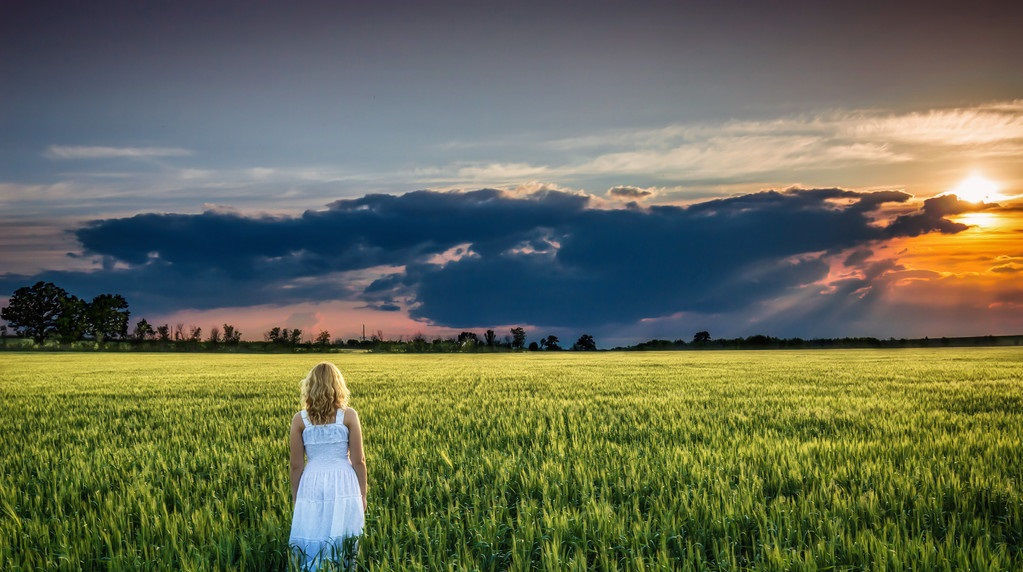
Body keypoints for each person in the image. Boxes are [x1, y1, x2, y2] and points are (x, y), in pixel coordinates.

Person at [288, 362, 368, 570]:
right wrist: (363, 494)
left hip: (312, 479)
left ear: (310, 386)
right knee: (343, 530)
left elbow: (296, 466)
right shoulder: (349, 415)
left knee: (314, 528)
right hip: (343, 479)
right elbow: (359, 460)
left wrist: (297, 497)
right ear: (337, 385)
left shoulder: (300, 420)